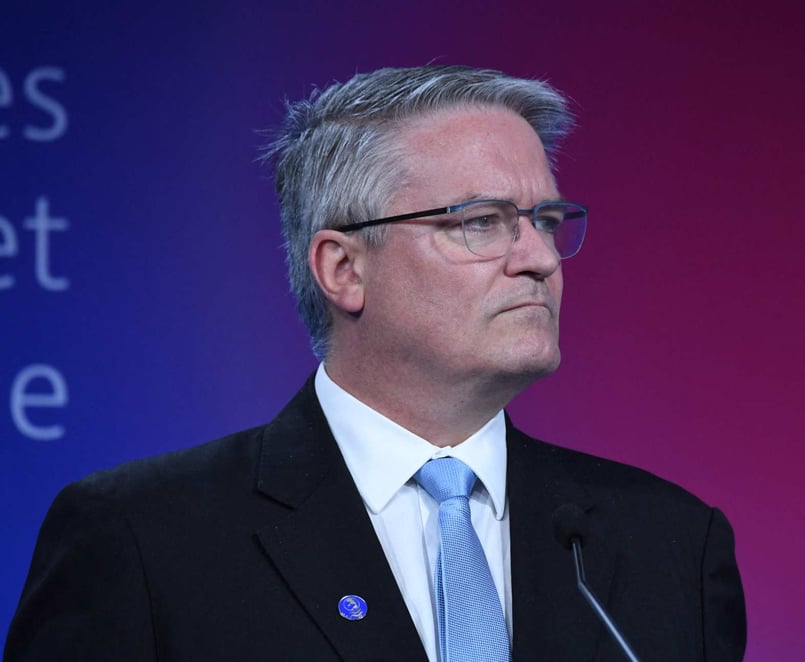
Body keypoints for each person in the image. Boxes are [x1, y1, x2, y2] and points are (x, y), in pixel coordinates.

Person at [5, 65, 746, 661]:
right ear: (343, 269)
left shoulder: (670, 544)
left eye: (547, 221)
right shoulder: (143, 538)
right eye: (483, 222)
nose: (540, 259)